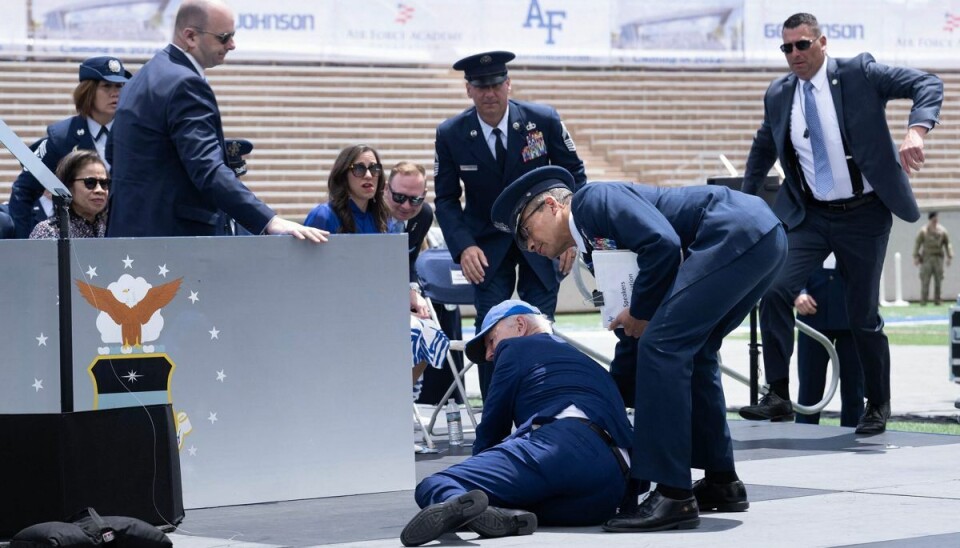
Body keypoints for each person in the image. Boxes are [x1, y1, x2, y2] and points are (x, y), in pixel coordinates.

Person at [490, 165, 787, 532]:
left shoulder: (593, 202)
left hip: (734, 231)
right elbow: (631, 324)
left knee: (663, 348)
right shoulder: (592, 246)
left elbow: (661, 245)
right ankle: (721, 481)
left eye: (524, 231)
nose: (528, 246)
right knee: (694, 350)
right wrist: (614, 393)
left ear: (551, 206)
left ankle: (673, 496)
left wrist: (642, 315)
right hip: (758, 235)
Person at [738, 12, 943, 435]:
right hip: (810, 215)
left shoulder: (858, 73)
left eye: (802, 45)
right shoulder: (779, 95)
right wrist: (743, 200)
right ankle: (778, 393)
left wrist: (916, 132)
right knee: (774, 290)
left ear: (822, 42)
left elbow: (928, 83)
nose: (794, 54)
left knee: (861, 314)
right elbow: (763, 148)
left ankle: (878, 403)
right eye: (786, 47)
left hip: (864, 213)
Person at [401, 299, 632, 547]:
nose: (490, 355)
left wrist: (477, 470)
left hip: (562, 444)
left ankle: (464, 505)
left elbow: (492, 427)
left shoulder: (516, 348)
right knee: (517, 500)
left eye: (491, 340)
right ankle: (502, 517)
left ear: (520, 324)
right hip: (612, 484)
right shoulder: (590, 365)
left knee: (435, 484)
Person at [433, 50, 586, 397]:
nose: (490, 93)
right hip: (485, 248)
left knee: (539, 329)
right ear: (468, 89)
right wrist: (464, 245)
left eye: (497, 84)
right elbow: (444, 199)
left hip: (546, 241)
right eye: (481, 86)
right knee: (492, 333)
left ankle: (544, 406)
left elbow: (575, 176)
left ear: (508, 84)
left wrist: (571, 234)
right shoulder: (451, 134)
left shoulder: (542, 120)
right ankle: (495, 418)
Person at [106, 0, 325, 243]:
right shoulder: (185, 84)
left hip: (127, 232)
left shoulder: (142, 77)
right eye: (224, 37)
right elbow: (207, 169)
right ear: (190, 36)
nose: (232, 45)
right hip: (173, 241)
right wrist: (268, 220)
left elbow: (111, 151)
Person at [8, 55, 130, 238]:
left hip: (123, 239)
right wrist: (23, 245)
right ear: (87, 91)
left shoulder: (134, 134)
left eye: (119, 86)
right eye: (106, 86)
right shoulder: (63, 137)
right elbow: (24, 190)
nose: (115, 93)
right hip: (75, 241)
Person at [795, 258, 865, 427]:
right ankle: (804, 436)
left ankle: (852, 436)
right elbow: (794, 262)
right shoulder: (808, 231)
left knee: (854, 389)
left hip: (851, 315)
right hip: (812, 318)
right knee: (809, 388)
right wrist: (798, 292)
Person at [304, 144, 390, 234]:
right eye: (359, 169)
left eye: (374, 168)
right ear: (343, 175)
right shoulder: (324, 215)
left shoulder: (382, 219)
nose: (368, 175)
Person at [29, 150, 109, 239]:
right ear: (68, 185)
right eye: (90, 182)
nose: (99, 190)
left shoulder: (112, 229)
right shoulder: (50, 232)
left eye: (104, 183)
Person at [913, 211, 953, 305]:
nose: (935, 221)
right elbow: (917, 244)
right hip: (927, 258)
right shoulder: (923, 231)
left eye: (936, 219)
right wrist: (916, 256)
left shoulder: (942, 231)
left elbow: (948, 244)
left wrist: (949, 256)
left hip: (938, 258)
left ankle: (937, 300)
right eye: (933, 219)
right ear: (930, 219)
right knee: (925, 280)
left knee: (939, 280)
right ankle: (923, 300)